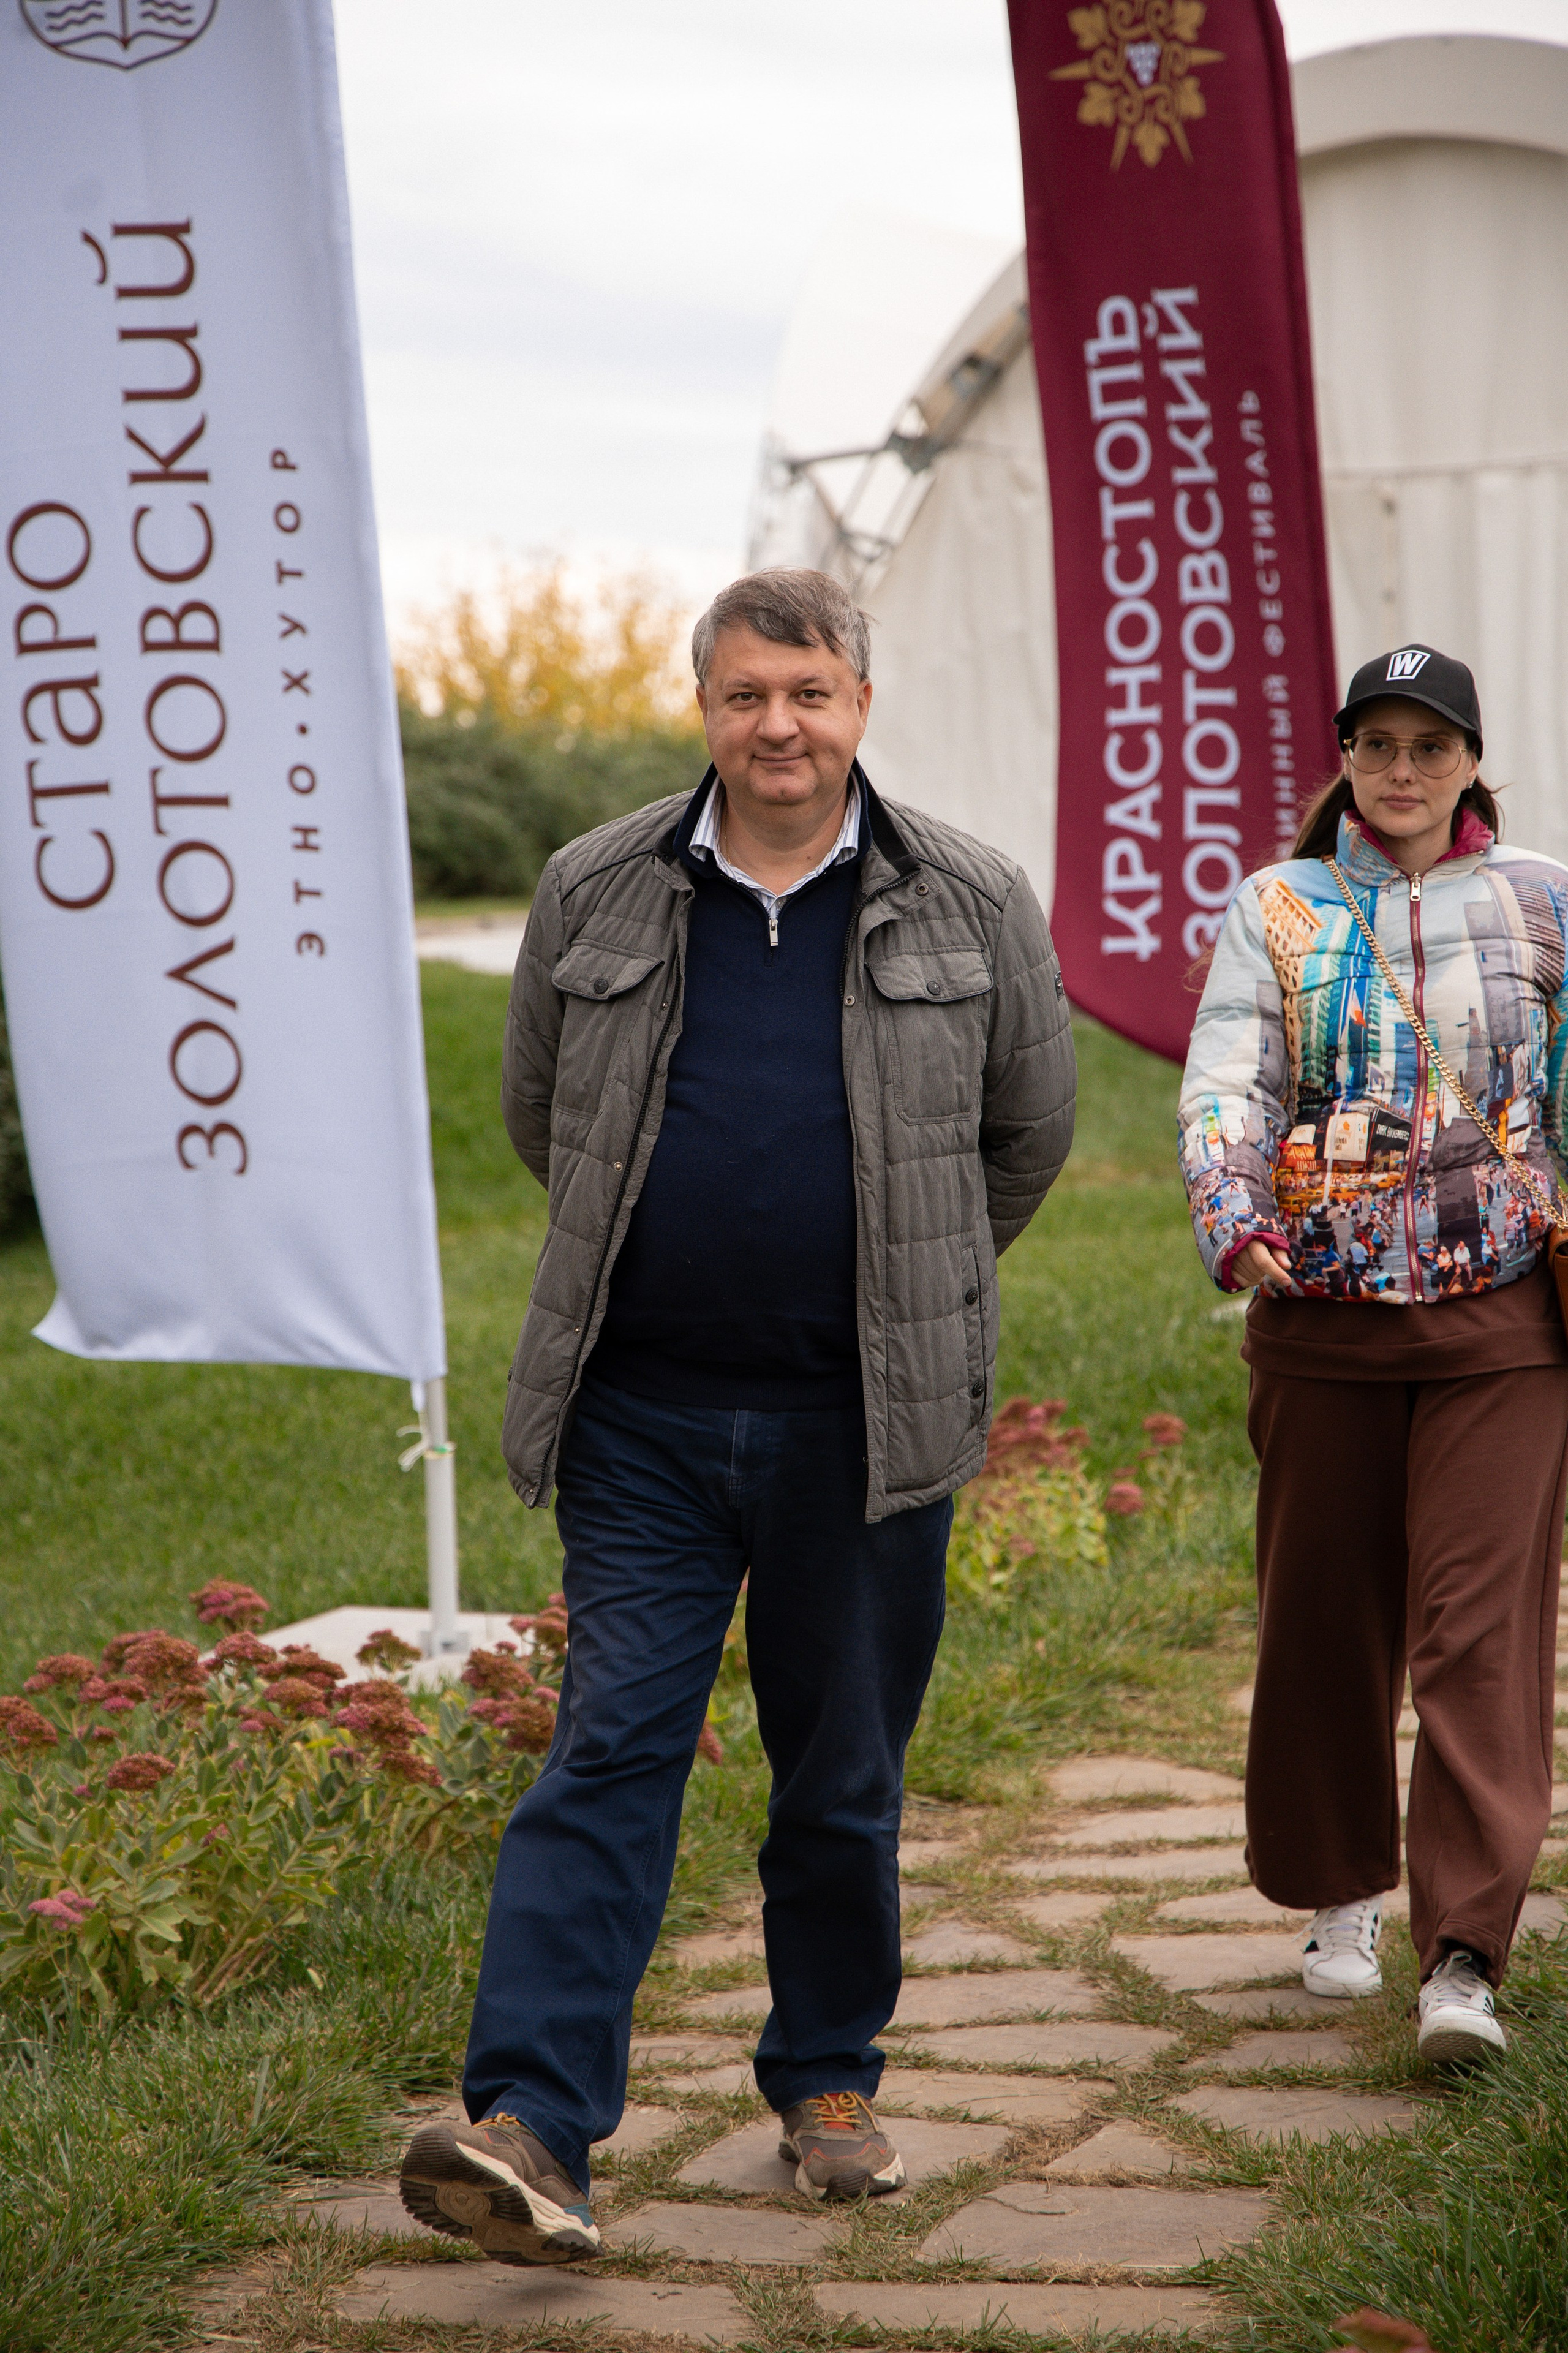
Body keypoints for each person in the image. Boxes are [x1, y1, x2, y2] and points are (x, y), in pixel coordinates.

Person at [399, 568, 1075, 2261]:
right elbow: (545, 1116)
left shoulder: (975, 900)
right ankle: (534, 2122)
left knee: (839, 1768)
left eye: (812, 692)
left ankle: (827, 2076)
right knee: (611, 1745)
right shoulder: (595, 887)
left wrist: (894, 1276)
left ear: (862, 705)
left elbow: (1027, 1138)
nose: (780, 723)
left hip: (867, 1422)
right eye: (746, 693)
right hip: (642, 1415)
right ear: (704, 707)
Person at [1179, 643, 1568, 2067]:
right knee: (1322, 1625)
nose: (1398, 771)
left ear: (1471, 761)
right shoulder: (1272, 907)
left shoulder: (1539, 901)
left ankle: (1461, 1954)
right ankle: (1338, 1886)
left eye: (1427, 745)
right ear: (1342, 756)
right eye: (1374, 744)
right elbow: (1228, 1072)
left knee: (1477, 1636)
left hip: (1504, 1326)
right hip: (1318, 1318)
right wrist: (1233, 1213)